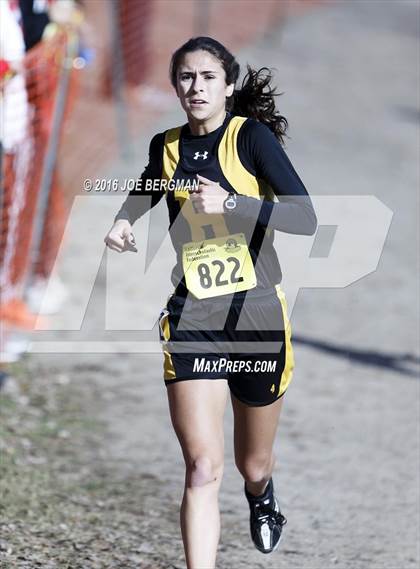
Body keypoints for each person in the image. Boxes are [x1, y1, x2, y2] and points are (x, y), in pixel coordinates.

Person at [105, 37, 317, 568]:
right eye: (184, 77)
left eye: (207, 77)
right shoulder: (167, 145)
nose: (195, 88)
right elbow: (146, 187)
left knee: (253, 463)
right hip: (194, 316)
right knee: (202, 466)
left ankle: (261, 494)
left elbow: (305, 217)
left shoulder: (252, 140)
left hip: (258, 318)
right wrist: (124, 220)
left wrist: (233, 203)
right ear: (175, 84)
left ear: (227, 85)